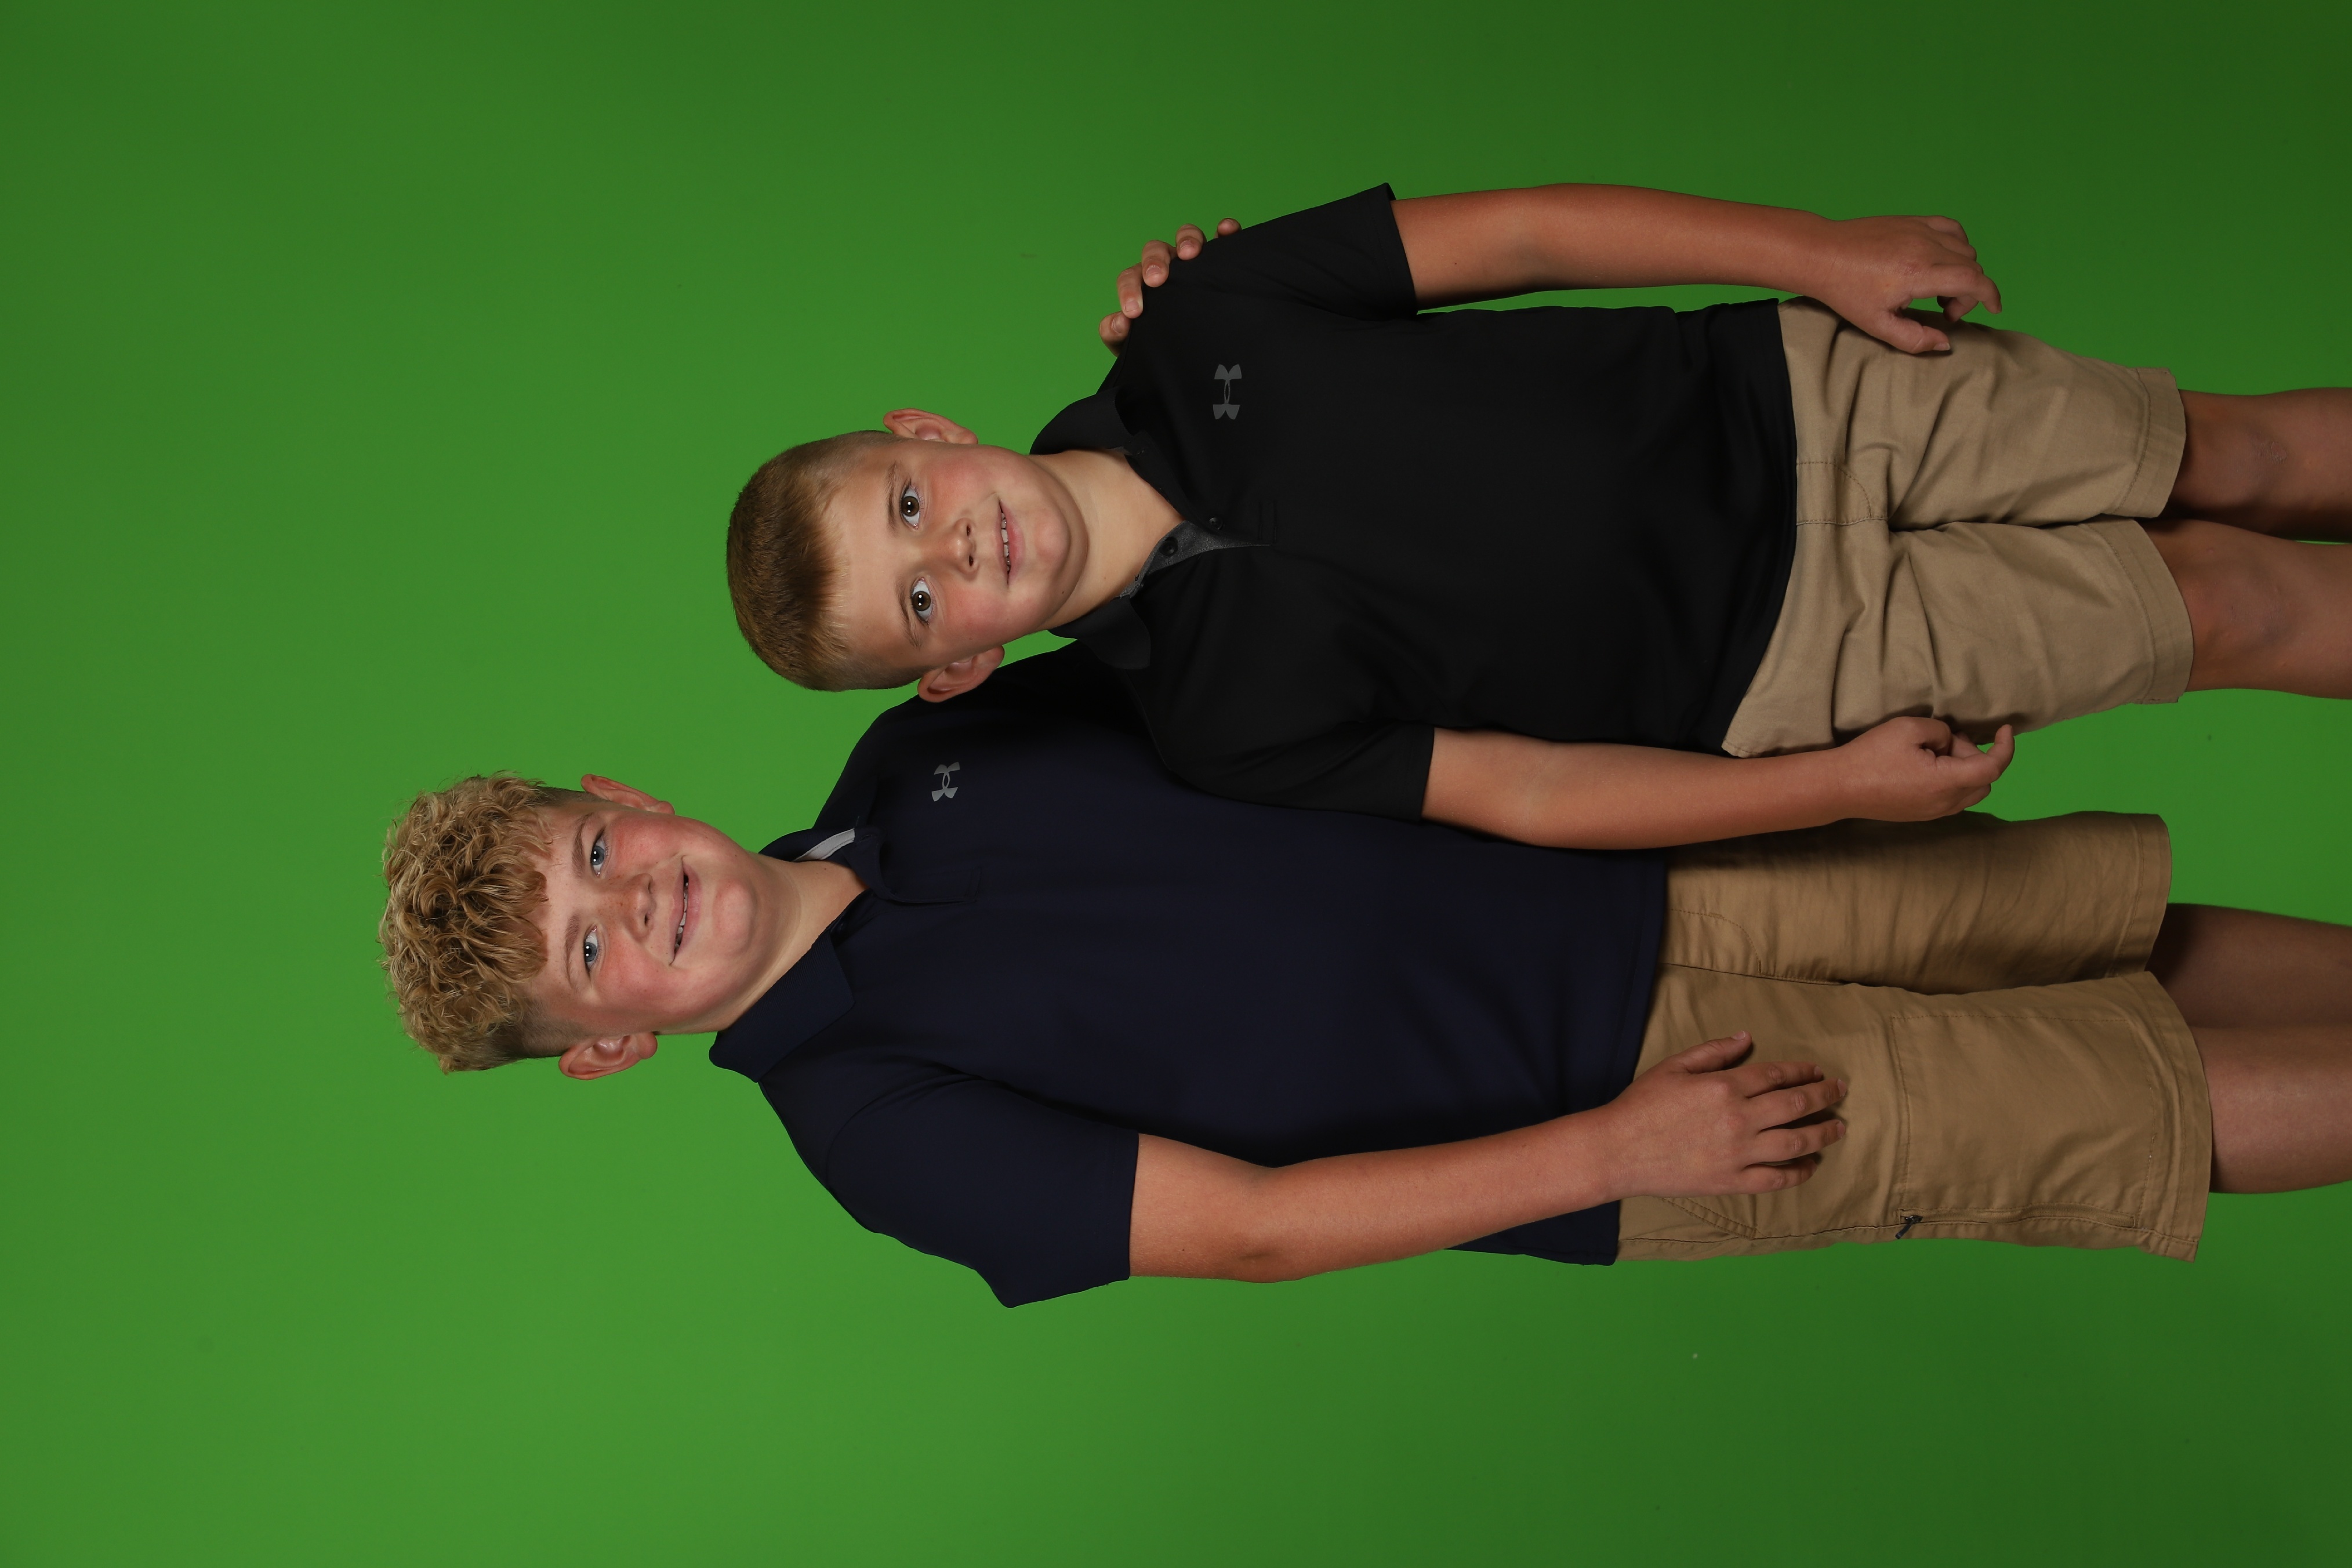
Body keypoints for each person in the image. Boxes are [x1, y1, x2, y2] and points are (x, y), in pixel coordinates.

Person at [379, 648, 2352, 1307]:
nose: (635, 907)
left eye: (594, 861)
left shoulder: (917, 752)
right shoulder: (871, 1129)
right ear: (605, 1047)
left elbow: (1227, 639)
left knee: (2108, 925)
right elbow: (1250, 1227)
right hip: (1629, 1085)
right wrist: (1613, 1148)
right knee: (2114, 1101)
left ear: (625, 801)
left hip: (1644, 852)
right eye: (587, 955)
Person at [725, 182, 2352, 850]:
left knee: (2231, 456)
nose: (955, 550)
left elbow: (1518, 240)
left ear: (925, 435)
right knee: (2224, 611)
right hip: (1794, 659)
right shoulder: (1217, 729)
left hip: (1798, 397)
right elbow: (1528, 787)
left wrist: (1810, 253)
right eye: (921, 603)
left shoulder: (1203, 316)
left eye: (912, 504)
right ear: (957, 672)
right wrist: (1825, 786)